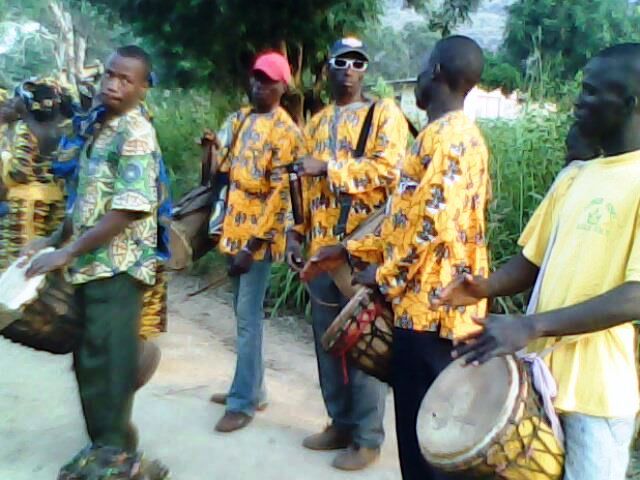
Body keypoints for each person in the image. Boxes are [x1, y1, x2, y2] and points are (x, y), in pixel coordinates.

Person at [436, 43, 640, 480]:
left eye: (590, 93)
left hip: (596, 398)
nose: (578, 103)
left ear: (629, 103)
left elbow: (636, 296)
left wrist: (531, 325)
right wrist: (483, 288)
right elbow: (532, 259)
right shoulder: (578, 175)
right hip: (539, 380)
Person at [310, 35, 488, 479]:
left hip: (434, 314)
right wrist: (348, 249)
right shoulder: (436, 135)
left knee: (426, 442)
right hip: (425, 308)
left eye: (426, 65)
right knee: (423, 435)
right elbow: (402, 219)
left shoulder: (449, 140)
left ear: (439, 73)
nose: (422, 75)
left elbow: (432, 226)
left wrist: (381, 276)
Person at [23, 45, 168, 480]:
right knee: (90, 361)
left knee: (109, 363)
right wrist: (51, 240)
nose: (114, 84)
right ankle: (110, 452)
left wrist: (66, 252)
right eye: (110, 75)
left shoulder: (136, 134)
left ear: (143, 88)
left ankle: (120, 459)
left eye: (127, 79)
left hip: (119, 268)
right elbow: (87, 203)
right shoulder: (100, 129)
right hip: (92, 264)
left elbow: (128, 209)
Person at [287, 37, 409, 471]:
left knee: (362, 345)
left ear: (365, 70)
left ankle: (368, 438)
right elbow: (300, 183)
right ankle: (338, 422)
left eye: (358, 62)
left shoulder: (384, 115)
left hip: (362, 250)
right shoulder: (316, 123)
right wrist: (294, 233)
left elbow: (391, 170)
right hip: (321, 251)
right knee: (327, 344)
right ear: (328, 67)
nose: (350, 69)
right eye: (341, 60)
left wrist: (331, 168)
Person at [209, 51, 305, 433]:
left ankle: (242, 402)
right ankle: (254, 388)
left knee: (248, 320)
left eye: (267, 80)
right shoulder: (240, 118)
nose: (258, 85)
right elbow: (220, 171)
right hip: (232, 229)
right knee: (241, 315)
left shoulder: (287, 134)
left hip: (257, 241)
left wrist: (251, 247)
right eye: (255, 78)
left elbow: (281, 196)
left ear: (283, 87)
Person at [0, 78, 70, 271]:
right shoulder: (61, 127)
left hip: (27, 206)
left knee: (18, 264)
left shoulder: (26, 129)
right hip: (55, 201)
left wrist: (5, 160)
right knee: (43, 262)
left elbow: (19, 173)